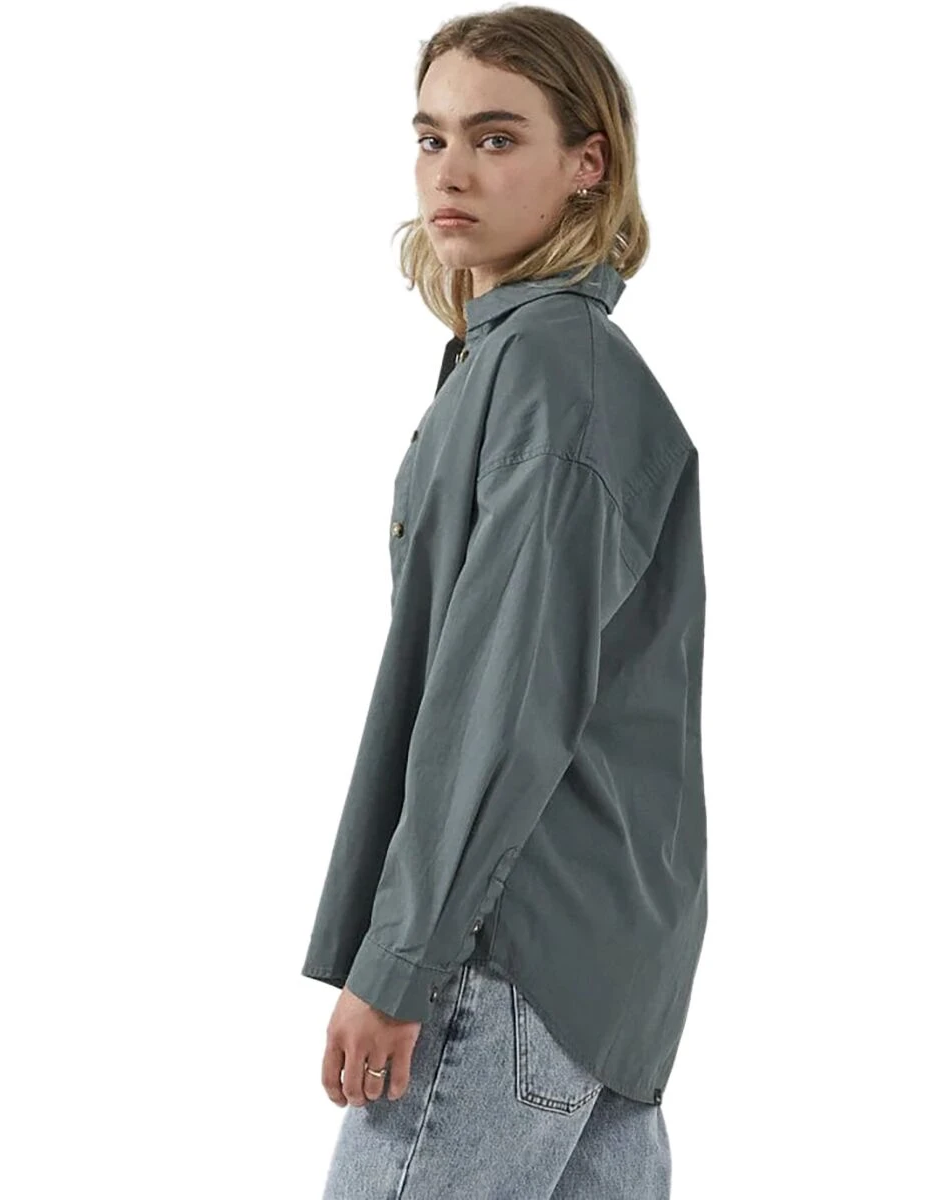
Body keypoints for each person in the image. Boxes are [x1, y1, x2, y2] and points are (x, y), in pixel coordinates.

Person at [301, 7, 707, 1196]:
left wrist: (401, 963)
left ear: (588, 164)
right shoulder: (528, 364)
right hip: (604, 970)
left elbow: (504, 697)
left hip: (506, 953)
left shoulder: (550, 372)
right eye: (431, 138)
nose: (450, 172)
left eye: (495, 137)